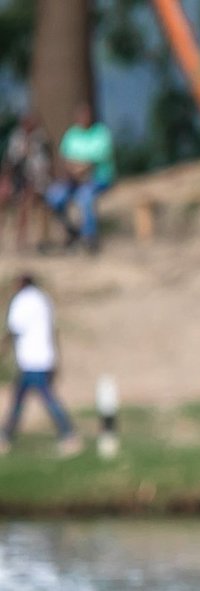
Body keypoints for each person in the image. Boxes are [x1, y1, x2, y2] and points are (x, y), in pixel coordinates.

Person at [3, 273, 80, 457]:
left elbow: (14, 329)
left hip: (30, 359)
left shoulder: (22, 301)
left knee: (42, 398)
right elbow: (53, 330)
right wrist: (56, 359)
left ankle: (68, 433)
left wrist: (3, 349)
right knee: (22, 398)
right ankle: (5, 436)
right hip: (45, 357)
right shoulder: (44, 299)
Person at [45, 103, 113, 253]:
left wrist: (79, 169)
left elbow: (94, 161)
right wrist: (74, 171)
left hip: (97, 179)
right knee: (54, 196)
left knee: (85, 197)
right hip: (72, 181)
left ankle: (90, 238)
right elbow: (65, 160)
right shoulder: (71, 135)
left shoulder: (100, 133)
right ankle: (71, 231)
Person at [2, 112, 53, 252]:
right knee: (11, 199)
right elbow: (11, 161)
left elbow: (45, 166)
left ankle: (36, 241)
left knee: (33, 202)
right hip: (20, 180)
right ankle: (16, 240)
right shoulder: (16, 138)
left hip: (38, 181)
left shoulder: (41, 139)